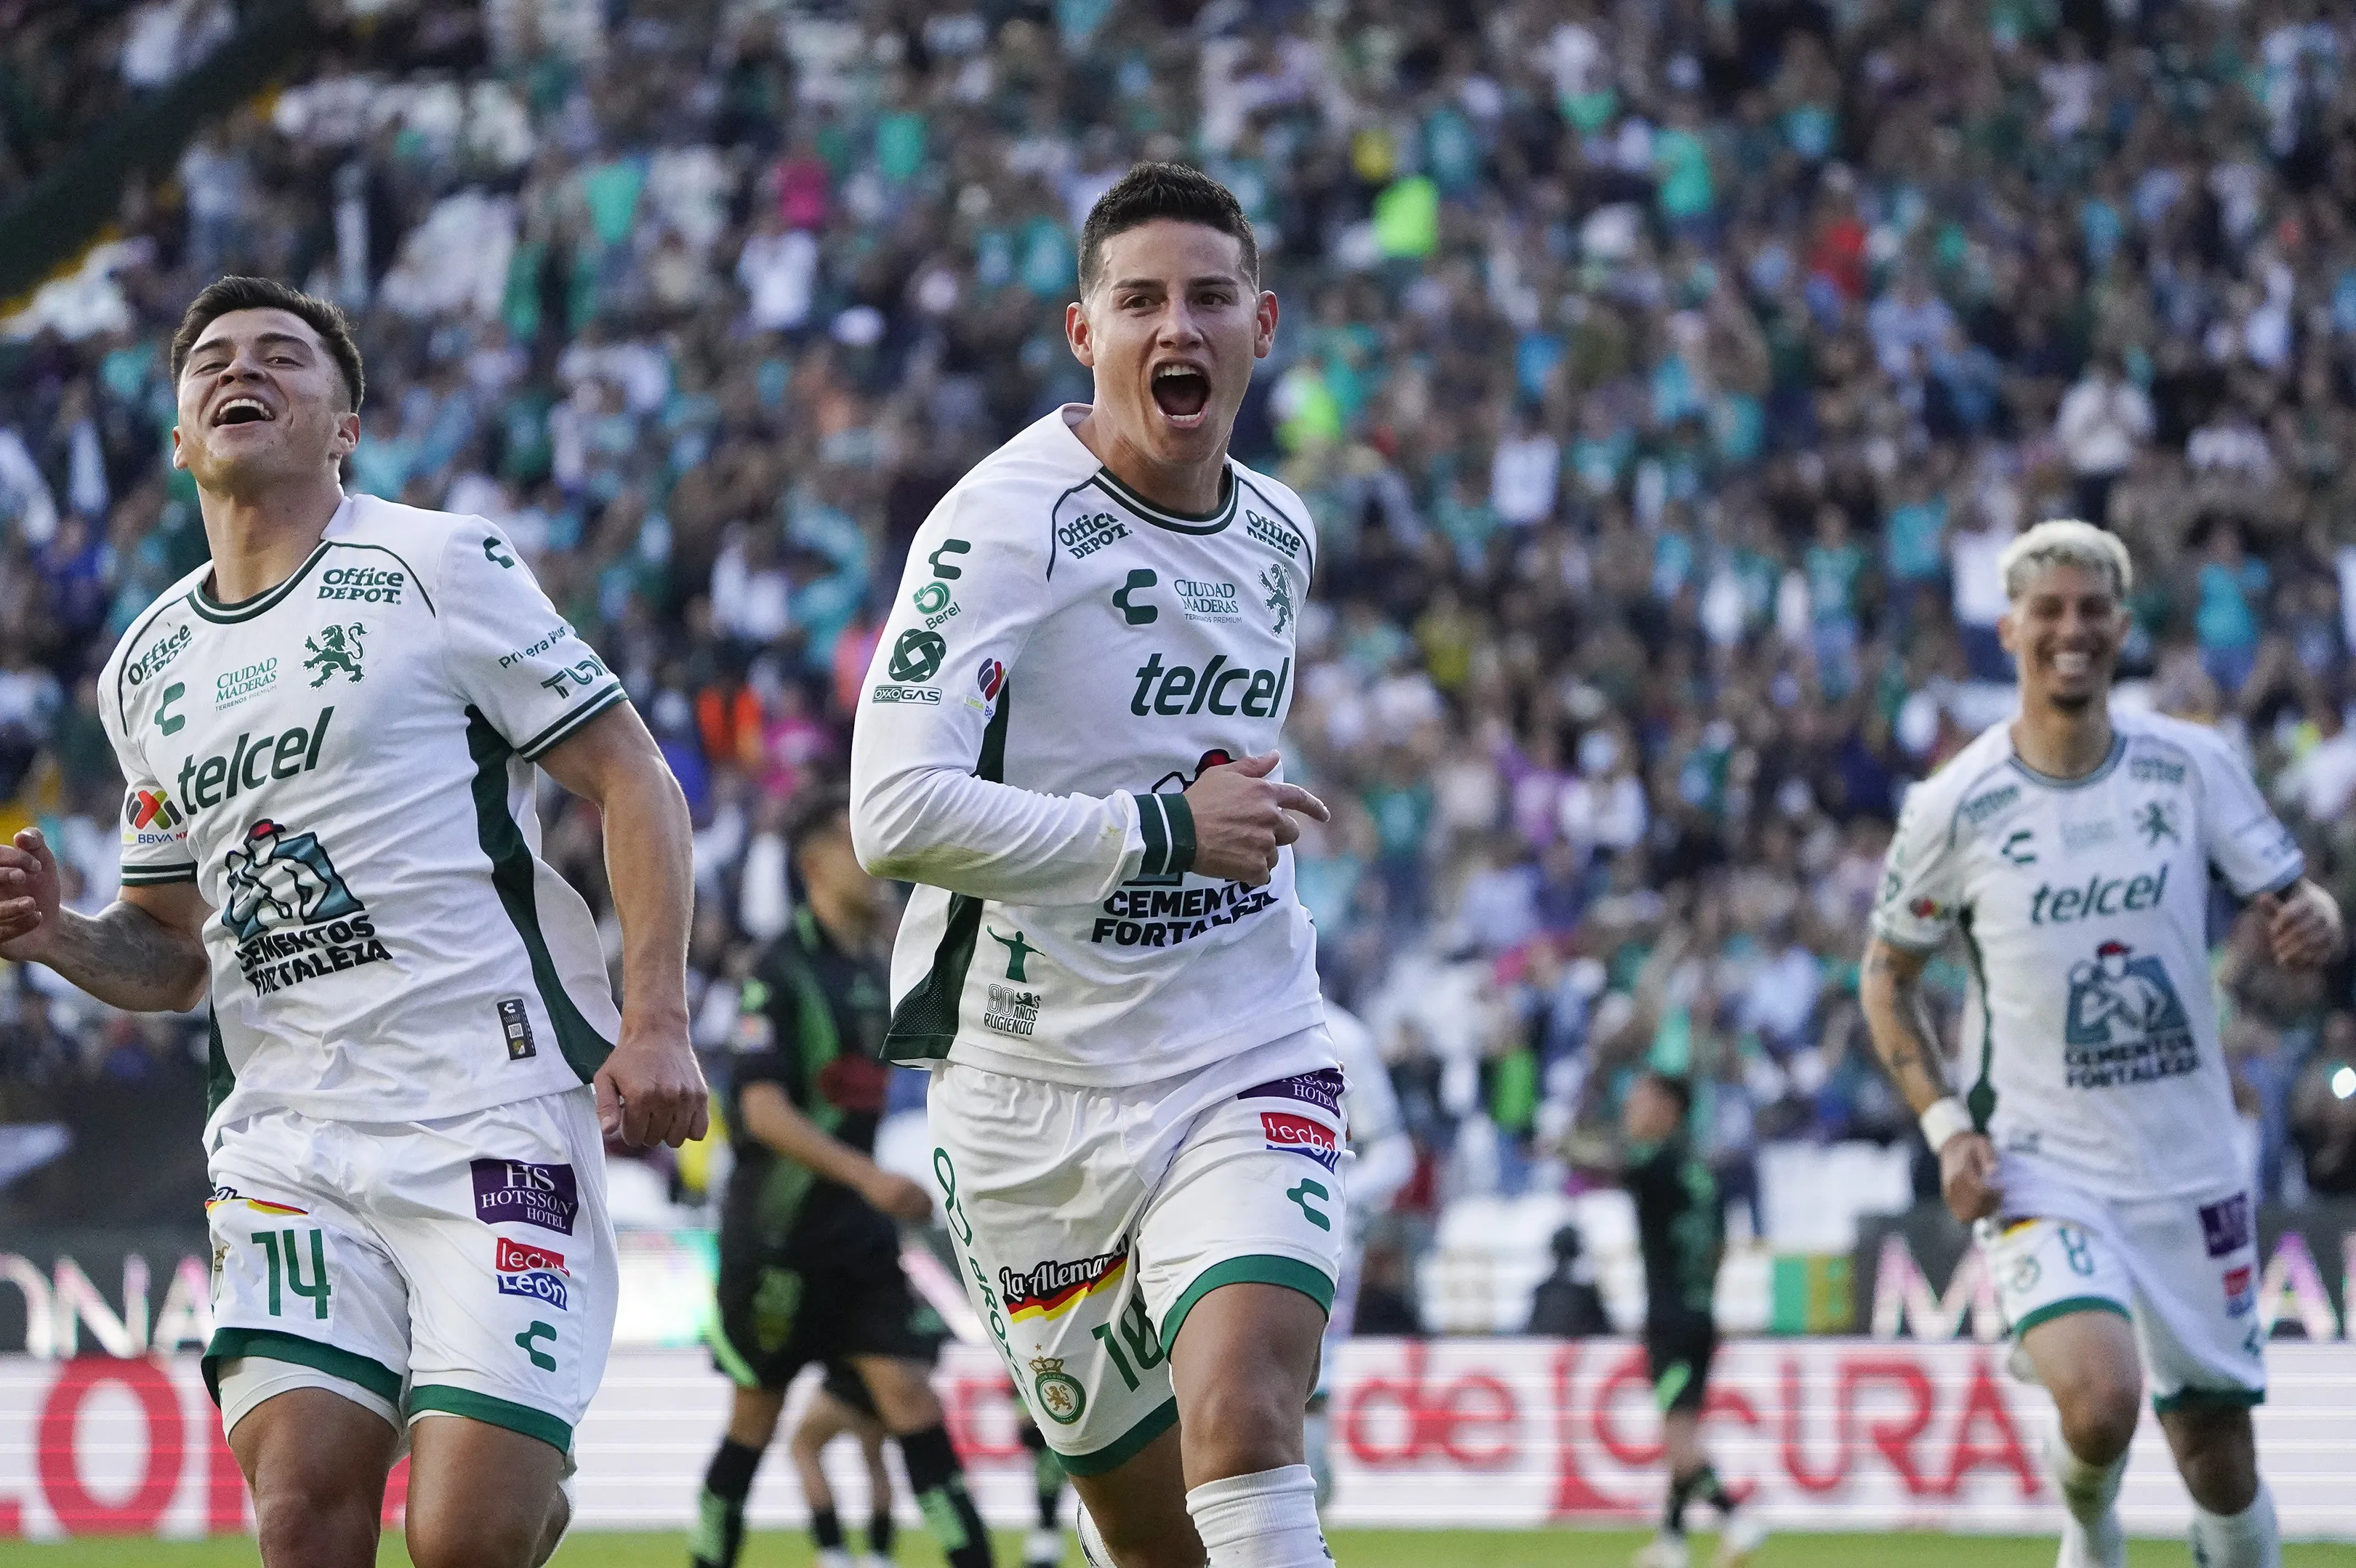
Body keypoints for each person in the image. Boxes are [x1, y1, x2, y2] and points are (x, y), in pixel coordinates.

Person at [0, 275, 709, 1568]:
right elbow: (171, 952)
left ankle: (516, 1497)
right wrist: (58, 936)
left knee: (465, 1538)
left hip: (487, 1105)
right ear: (178, 437)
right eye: (211, 360)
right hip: (288, 1132)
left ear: (345, 428)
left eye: (283, 355)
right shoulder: (146, 665)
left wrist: (654, 1016)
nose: (240, 369)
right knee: (302, 1518)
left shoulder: (439, 563)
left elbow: (634, 777)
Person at [849, 162, 1341, 1568]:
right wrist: (1167, 832)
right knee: (1148, 1535)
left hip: (1242, 1041)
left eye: (1210, 298)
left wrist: (1200, 829)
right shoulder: (1002, 523)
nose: (1177, 327)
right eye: (1140, 302)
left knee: (1245, 1414)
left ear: (1262, 324)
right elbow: (893, 813)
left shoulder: (1281, 531)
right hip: (1024, 1091)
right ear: (1085, 332)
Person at [1862, 519, 2341, 1568]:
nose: (2070, 631)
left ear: (2122, 628)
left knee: (2217, 1454)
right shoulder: (1954, 804)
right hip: (2041, 1161)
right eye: (2048, 611)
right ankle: (2088, 1528)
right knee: (2100, 1402)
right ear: (2009, 631)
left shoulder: (2191, 765)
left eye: (2091, 611)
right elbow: (1884, 977)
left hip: (2187, 1160)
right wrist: (1947, 1131)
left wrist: (2317, 916)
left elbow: (2294, 896)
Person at [691, 787, 992, 1568]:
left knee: (911, 1399)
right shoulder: (776, 968)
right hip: (779, 1238)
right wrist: (870, 1178)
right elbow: (760, 1111)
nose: (876, 862)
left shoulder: (875, 970)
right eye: (855, 846)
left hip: (858, 1237)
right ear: (814, 862)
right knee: (754, 1420)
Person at [1621, 1072, 1766, 1568]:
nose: (1631, 1110)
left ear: (1669, 1109)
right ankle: (1672, 1540)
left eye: (1640, 1100)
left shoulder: (1655, 1164)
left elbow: (1606, 1165)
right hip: (1701, 1313)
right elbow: (1720, 1246)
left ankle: (1735, 1518)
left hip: (1668, 1318)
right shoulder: (1703, 1171)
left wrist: (1559, 1145)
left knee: (1677, 1435)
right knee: (1681, 1426)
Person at [1300, 1000, 1413, 1506]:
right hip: (1218, 1222)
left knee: (1306, 1381)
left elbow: (1394, 1155)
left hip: (1318, 1239)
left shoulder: (1341, 1036)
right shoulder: (1209, 1009)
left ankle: (1305, 1510)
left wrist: (1329, 1194)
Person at [787, 1362, 906, 1568]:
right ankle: (879, 1556)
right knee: (874, 1459)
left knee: (803, 1446)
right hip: (885, 1386)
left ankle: (832, 1550)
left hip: (846, 1384)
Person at [1525, 1224, 1612, 1338]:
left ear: (1553, 1250)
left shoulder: (1542, 1291)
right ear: (1578, 1251)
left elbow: (1532, 1332)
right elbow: (1605, 1333)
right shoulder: (1587, 1293)